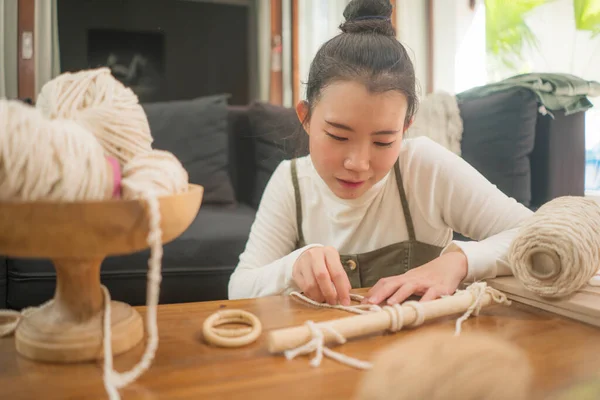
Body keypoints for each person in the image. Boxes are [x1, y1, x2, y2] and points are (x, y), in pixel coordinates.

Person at [228, 0, 533, 306]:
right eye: (337, 135)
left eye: (384, 142)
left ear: (406, 127)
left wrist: (456, 261)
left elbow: (534, 233)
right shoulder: (290, 183)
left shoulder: (424, 167)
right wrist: (292, 266)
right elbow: (239, 288)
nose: (358, 164)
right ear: (305, 117)